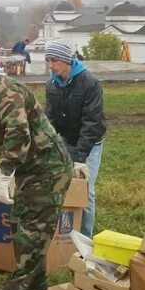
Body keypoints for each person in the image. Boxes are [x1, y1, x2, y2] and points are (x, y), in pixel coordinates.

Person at [0, 53, 72, 290]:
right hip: (30, 171)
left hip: (48, 170)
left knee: (31, 231)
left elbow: (19, 134)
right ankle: (39, 284)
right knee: (20, 227)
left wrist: (4, 173)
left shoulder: (9, 92)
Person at [44, 42, 106, 238]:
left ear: (66, 60)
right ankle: (65, 235)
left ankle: (85, 238)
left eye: (54, 60)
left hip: (90, 143)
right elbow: (50, 118)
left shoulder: (90, 83)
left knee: (85, 189)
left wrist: (80, 158)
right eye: (48, 61)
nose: (51, 66)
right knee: (62, 184)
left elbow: (91, 123)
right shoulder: (51, 84)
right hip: (66, 140)